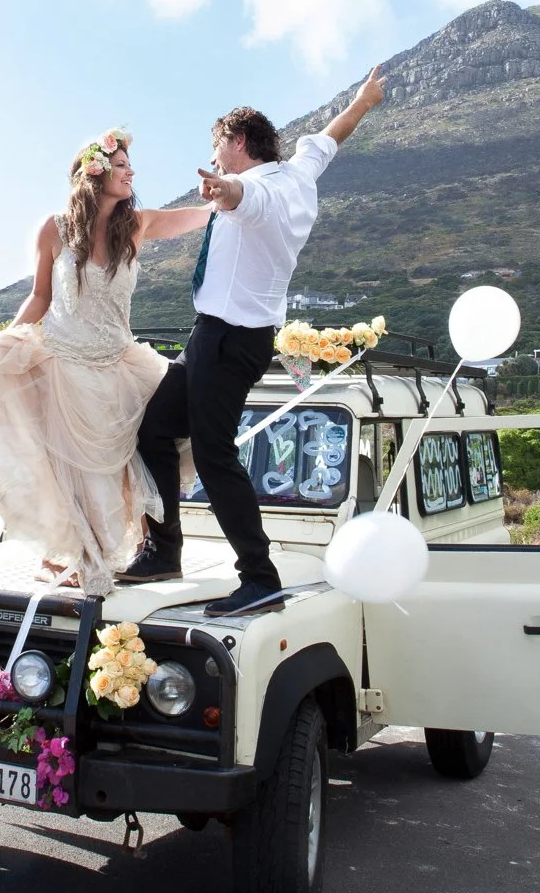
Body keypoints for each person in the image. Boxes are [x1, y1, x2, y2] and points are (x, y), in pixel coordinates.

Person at [119, 68, 386, 616]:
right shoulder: (298, 173)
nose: (214, 158)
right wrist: (361, 103)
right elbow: (328, 140)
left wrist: (226, 190)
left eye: (218, 147)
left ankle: (259, 578)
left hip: (227, 340)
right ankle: (164, 550)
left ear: (238, 142)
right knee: (152, 428)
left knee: (216, 456)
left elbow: (245, 198)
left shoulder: (259, 190)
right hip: (220, 340)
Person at [0, 132, 209, 596]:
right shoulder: (54, 228)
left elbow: (191, 217)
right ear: (94, 173)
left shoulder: (136, 225)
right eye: (122, 164)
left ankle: (151, 554)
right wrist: (7, 339)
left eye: (130, 165)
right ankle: (67, 555)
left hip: (121, 364)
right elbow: (41, 296)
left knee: (129, 460)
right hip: (64, 364)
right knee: (67, 467)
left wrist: (228, 197)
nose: (131, 172)